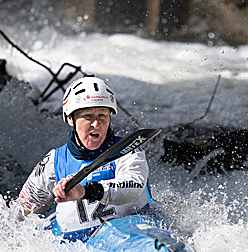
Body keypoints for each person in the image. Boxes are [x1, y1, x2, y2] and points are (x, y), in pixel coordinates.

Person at [14, 76, 150, 240]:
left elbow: (133, 187)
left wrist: (87, 191)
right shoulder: (53, 161)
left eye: (102, 115)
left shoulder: (128, 149)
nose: (96, 124)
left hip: (133, 234)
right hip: (78, 245)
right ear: (70, 119)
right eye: (88, 116)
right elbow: (21, 211)